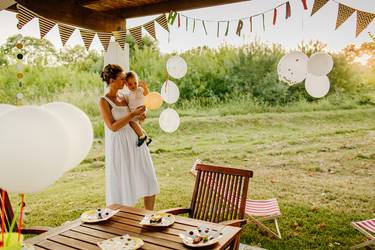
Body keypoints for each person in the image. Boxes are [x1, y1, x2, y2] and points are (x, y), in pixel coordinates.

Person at [98, 64, 159, 210]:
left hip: (136, 141)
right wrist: (131, 115)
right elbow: (113, 127)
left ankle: (149, 216)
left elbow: (139, 114)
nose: (125, 82)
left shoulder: (125, 97)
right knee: (124, 182)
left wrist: (142, 114)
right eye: (122, 79)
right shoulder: (104, 101)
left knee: (148, 177)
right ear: (112, 81)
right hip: (120, 145)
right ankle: (125, 219)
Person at [124, 71, 152, 147]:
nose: (133, 86)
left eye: (135, 83)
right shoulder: (128, 95)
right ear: (126, 85)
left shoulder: (139, 89)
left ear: (137, 81)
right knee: (135, 124)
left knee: (132, 122)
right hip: (135, 113)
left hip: (141, 109)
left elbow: (147, 95)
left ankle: (142, 137)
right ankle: (147, 138)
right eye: (130, 84)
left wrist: (145, 87)